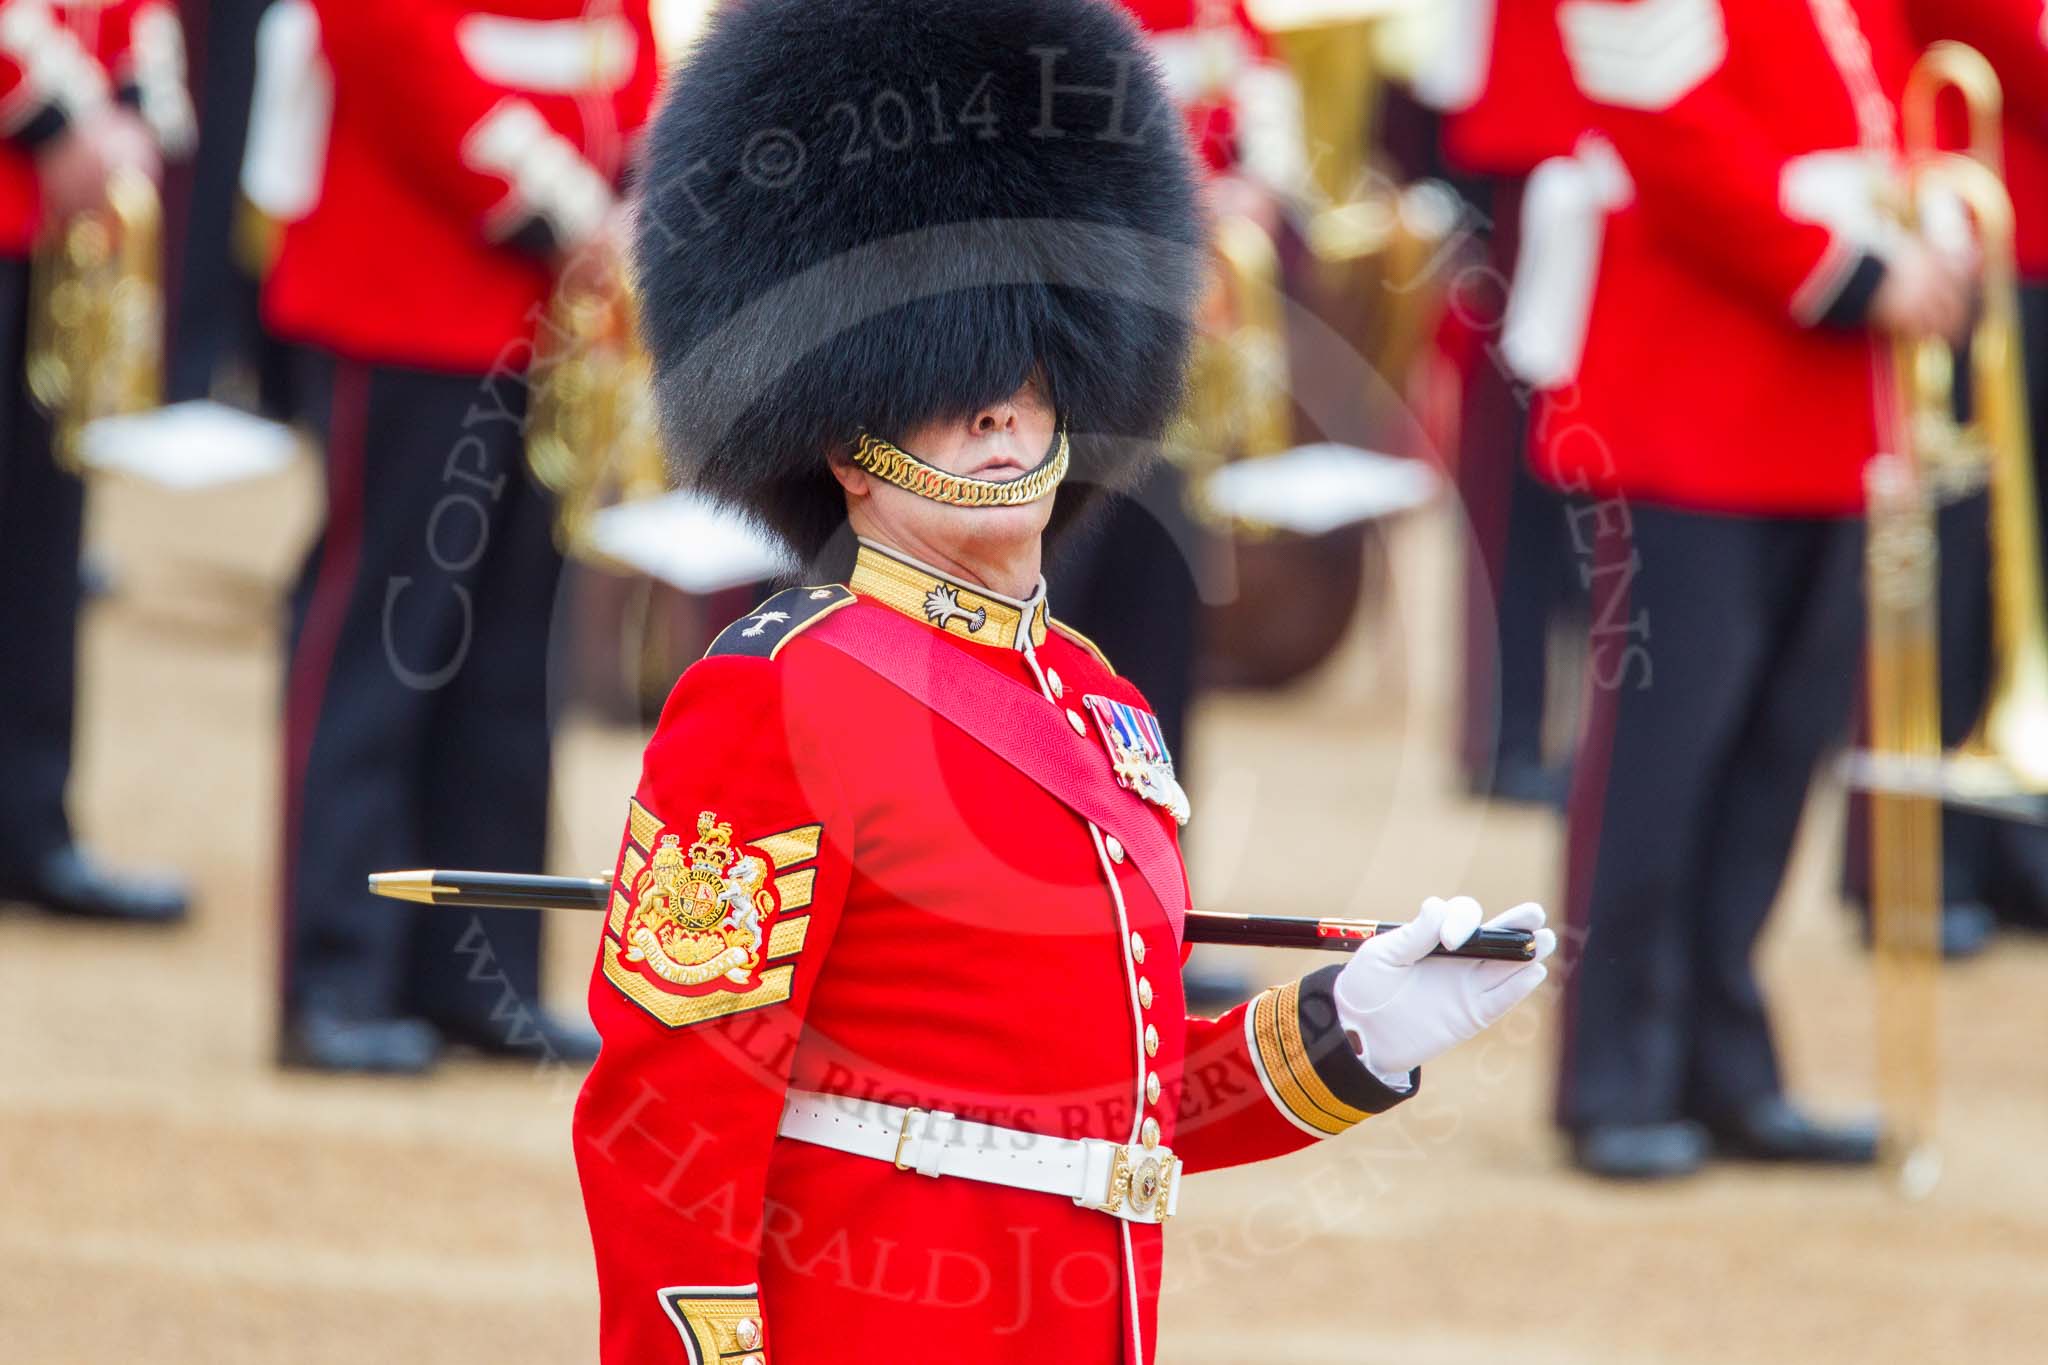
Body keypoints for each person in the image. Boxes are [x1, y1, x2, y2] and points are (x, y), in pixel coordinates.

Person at [571, 2, 1556, 1361]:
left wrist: (1354, 1025)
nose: (995, 408)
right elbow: (670, 1108)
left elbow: (1110, 1115)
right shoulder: (780, 694)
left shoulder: (1103, 707)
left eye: (1023, 371)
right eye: (938, 382)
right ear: (840, 438)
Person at [1528, 0, 1971, 1178]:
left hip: (1826, 415)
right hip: (1688, 398)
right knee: (1662, 755)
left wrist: (1932, 226)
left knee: (1777, 750)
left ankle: (1723, 1063)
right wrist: (1851, 268)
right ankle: (1613, 1072)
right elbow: (1665, 129)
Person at [260, 0, 657, 1073]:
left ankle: (476, 969)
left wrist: (632, 196)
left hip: (555, 318)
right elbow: (390, 39)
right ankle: (337, 971)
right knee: (383, 642)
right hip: (414, 289)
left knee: (508, 659)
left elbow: (613, 40)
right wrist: (561, 207)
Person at [0, 0, 191, 924]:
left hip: (57, 224)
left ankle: (29, 825)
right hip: (25, 165)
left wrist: (131, 111)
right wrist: (51, 116)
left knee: (44, 539)